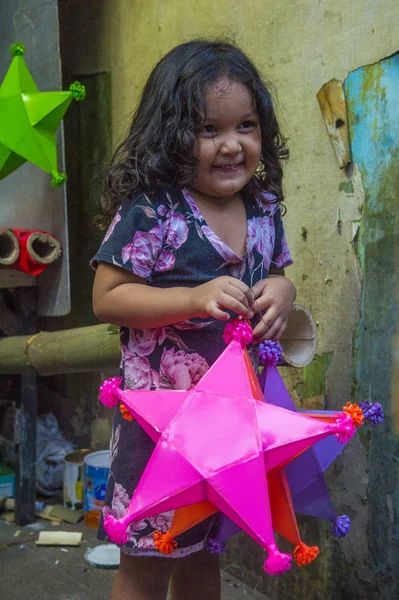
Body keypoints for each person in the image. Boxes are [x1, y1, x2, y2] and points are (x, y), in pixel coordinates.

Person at [92, 39, 296, 600]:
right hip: (159, 430)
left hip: (231, 426)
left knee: (205, 555)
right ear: (171, 134)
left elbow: (278, 272)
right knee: (146, 563)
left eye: (247, 125)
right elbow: (107, 296)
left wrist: (283, 288)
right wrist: (191, 297)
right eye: (209, 130)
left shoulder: (264, 208)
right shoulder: (154, 209)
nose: (232, 145)